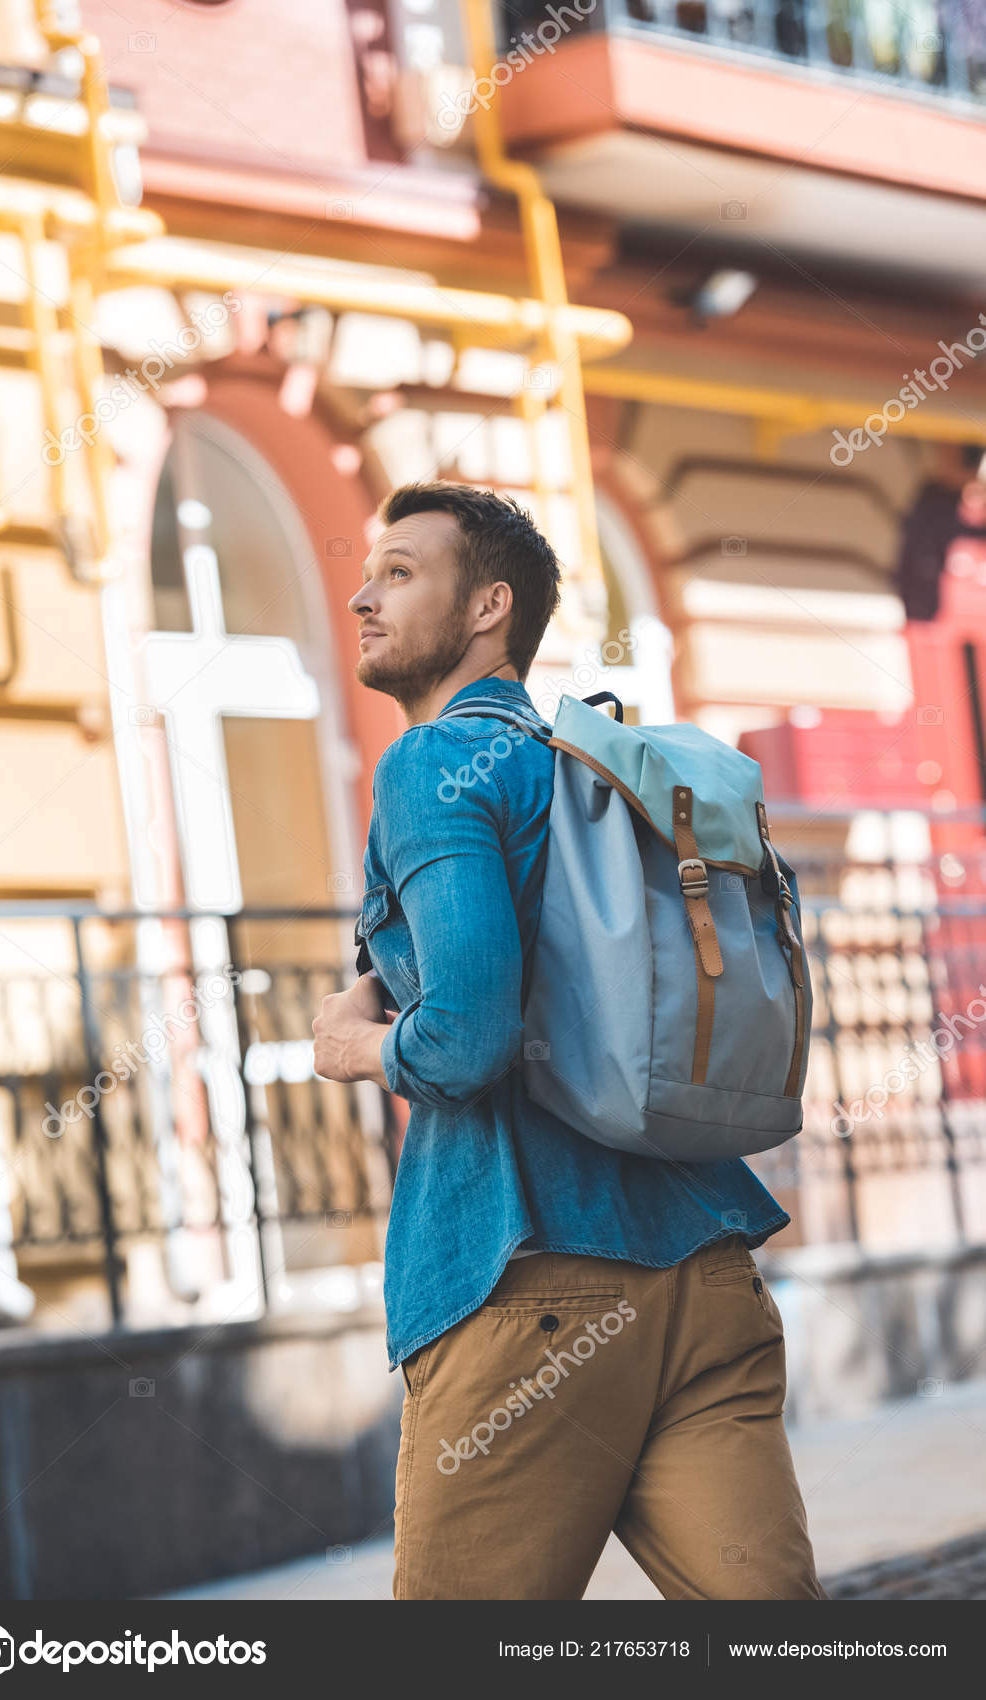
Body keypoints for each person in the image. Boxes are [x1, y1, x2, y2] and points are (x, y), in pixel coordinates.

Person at [311, 481, 827, 1602]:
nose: (362, 595)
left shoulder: (430, 765)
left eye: (400, 571)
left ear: (490, 605)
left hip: (532, 1281)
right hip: (705, 1271)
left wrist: (350, 1045)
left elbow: (464, 1040)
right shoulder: (596, 772)